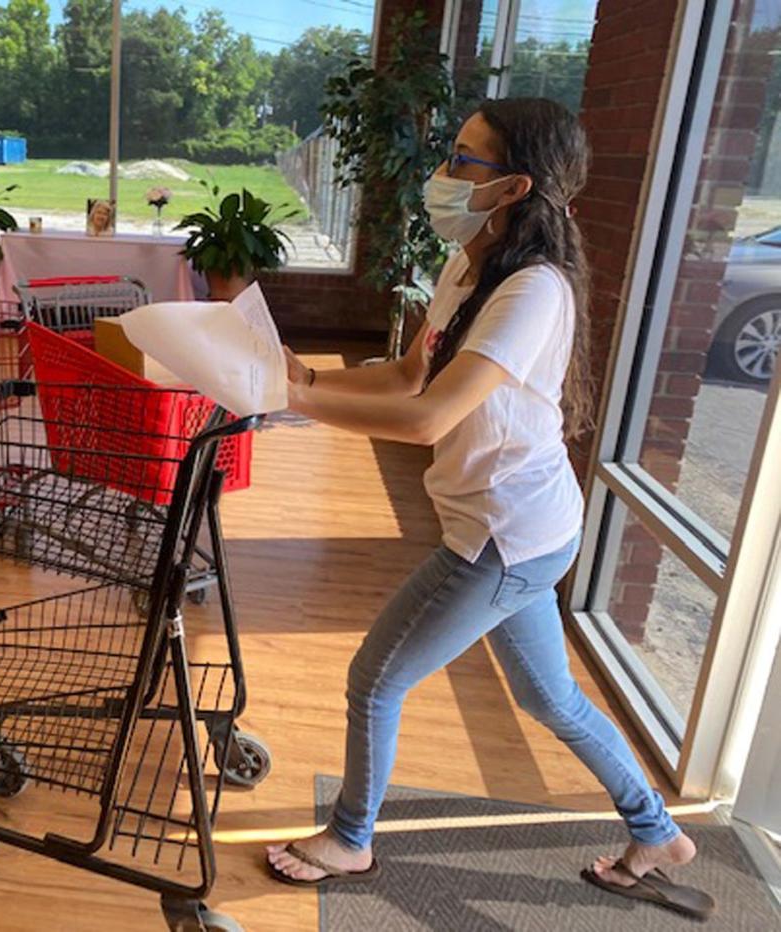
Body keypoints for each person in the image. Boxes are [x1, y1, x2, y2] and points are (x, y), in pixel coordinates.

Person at [264, 98, 713, 921]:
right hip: (526, 527)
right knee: (554, 701)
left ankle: (352, 837)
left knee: (374, 679)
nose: (443, 173)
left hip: (503, 537)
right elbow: (408, 379)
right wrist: (310, 383)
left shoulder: (533, 290)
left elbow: (430, 419)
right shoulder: (470, 265)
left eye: (464, 160)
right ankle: (657, 834)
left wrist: (297, 402)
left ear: (513, 186)